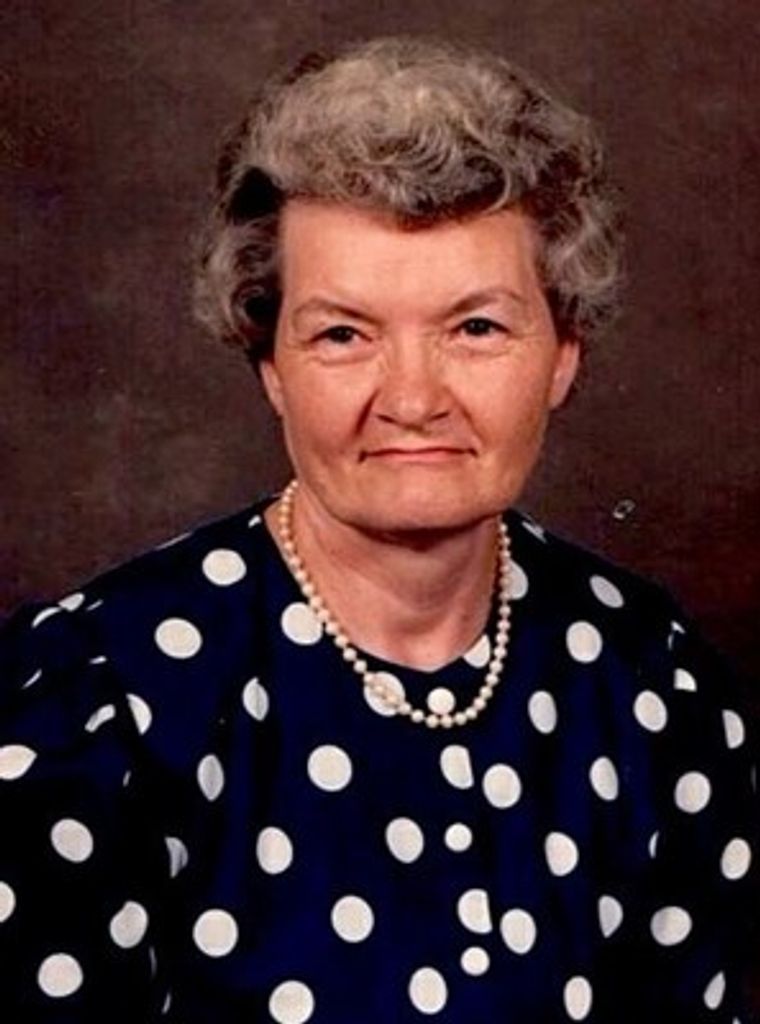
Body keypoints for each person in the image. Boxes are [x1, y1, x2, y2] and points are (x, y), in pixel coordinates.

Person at [0, 36, 756, 1023]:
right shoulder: (98, 705)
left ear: (563, 351)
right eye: (343, 334)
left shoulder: (656, 681)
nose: (411, 399)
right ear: (270, 363)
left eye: (476, 327)